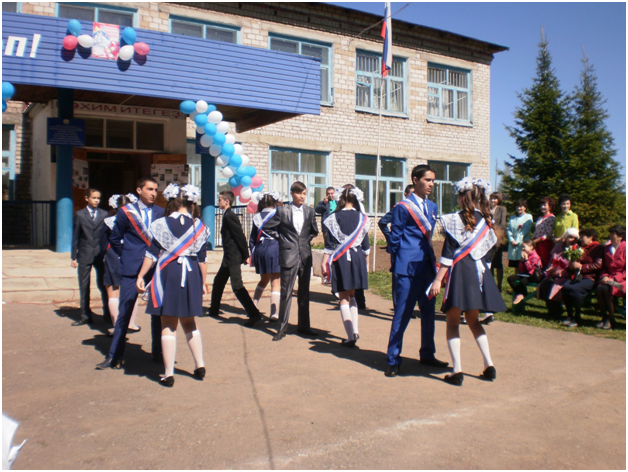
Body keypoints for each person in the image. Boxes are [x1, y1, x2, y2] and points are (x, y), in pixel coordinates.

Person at [429, 177, 506, 386]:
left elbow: (447, 255)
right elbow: (487, 254)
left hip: (460, 273)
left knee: (453, 322)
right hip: (479, 274)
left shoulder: (454, 220)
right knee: (474, 321)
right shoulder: (487, 220)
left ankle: (457, 370)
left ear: (462, 197)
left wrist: (438, 280)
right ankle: (489, 365)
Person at [137, 184, 210, 387]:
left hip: (168, 272)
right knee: (190, 322)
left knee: (168, 324)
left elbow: (151, 254)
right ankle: (200, 365)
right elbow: (203, 260)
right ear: (192, 202)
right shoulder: (199, 226)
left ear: (171, 201)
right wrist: (204, 283)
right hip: (191, 273)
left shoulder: (161, 224)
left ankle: (168, 374)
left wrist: (141, 276)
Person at [385, 165, 448, 377]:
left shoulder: (432, 206)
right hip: (407, 269)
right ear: (415, 180)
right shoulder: (403, 207)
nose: (431, 184)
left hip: (427, 267)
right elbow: (395, 238)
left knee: (429, 312)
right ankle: (393, 359)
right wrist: (398, 264)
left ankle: (427, 353)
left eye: (433, 181)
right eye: (427, 180)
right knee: (402, 313)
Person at [96, 177, 165, 370]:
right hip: (131, 269)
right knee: (124, 312)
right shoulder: (126, 212)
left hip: (154, 268)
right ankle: (114, 355)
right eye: (149, 189)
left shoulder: (161, 212)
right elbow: (115, 239)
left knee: (157, 312)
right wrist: (127, 256)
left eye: (155, 190)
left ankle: (158, 352)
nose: (153, 193)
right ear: (139, 190)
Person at [264, 181, 319, 341]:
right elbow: (267, 227)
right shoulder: (282, 211)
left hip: (305, 256)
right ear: (292, 194)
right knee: (286, 292)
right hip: (288, 255)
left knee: (304, 293)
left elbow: (314, 231)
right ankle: (281, 328)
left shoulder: (310, 211)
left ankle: (304, 326)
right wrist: (283, 239)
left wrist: (304, 242)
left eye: (304, 193)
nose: (302, 196)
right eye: (299, 193)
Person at [322, 187, 370, 347]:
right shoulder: (363, 218)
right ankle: (355, 330)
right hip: (358, 257)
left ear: (341, 199)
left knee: (343, 297)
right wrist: (366, 263)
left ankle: (350, 337)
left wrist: (324, 262)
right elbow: (365, 245)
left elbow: (329, 244)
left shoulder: (334, 217)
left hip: (341, 258)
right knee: (353, 295)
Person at [208, 191, 262, 325]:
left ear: (227, 201)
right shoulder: (226, 215)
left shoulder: (230, 216)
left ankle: (254, 314)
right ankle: (213, 310)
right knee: (218, 282)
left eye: (220, 200)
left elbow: (239, 236)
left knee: (237, 286)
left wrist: (245, 255)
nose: (218, 202)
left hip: (233, 256)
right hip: (228, 256)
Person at [102, 193, 141, 336]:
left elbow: (103, 241)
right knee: (132, 289)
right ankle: (131, 323)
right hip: (131, 254)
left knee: (113, 291)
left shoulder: (108, 221)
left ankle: (116, 326)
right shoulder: (137, 221)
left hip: (113, 254)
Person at [70, 188, 110, 326]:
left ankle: (108, 313)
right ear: (87, 198)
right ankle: (85, 315)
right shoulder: (79, 215)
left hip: (100, 254)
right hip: (85, 253)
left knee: (104, 284)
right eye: (94, 198)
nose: (96, 200)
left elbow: (107, 235)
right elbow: (75, 237)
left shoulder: (104, 214)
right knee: (84, 285)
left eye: (98, 198)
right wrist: (73, 257)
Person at [378, 184, 414, 308]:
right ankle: (398, 306)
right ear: (405, 195)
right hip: (399, 247)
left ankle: (409, 307)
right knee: (398, 276)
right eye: (411, 194)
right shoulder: (399, 207)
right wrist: (390, 238)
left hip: (412, 248)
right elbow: (382, 222)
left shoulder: (418, 209)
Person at [560, 228, 603, 328]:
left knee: (575, 289)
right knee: (565, 287)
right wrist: (571, 266)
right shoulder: (579, 248)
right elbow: (574, 262)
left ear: (590, 237)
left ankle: (577, 317)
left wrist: (581, 267)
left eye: (583, 237)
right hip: (578, 276)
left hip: (591, 277)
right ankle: (569, 315)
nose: (581, 239)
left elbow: (598, 265)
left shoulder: (598, 248)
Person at [250, 191, 282, 321]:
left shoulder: (256, 217)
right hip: (274, 248)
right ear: (275, 202)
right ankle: (274, 313)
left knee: (263, 280)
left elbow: (252, 239)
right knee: (276, 282)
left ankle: (253, 307)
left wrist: (252, 254)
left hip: (260, 249)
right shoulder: (277, 214)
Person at [536, 228, 580, 318]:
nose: (573, 240)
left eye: (575, 238)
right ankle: (553, 310)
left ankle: (557, 311)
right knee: (546, 284)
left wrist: (561, 272)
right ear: (565, 237)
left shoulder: (576, 249)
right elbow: (552, 260)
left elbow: (574, 267)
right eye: (570, 237)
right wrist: (551, 269)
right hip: (554, 273)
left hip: (568, 275)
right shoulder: (558, 247)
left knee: (555, 285)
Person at [596, 225, 626, 329]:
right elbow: (604, 266)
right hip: (609, 277)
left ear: (620, 237)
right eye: (610, 234)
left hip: (622, 279)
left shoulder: (625, 248)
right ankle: (604, 317)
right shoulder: (607, 248)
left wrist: (615, 279)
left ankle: (610, 318)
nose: (610, 236)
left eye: (613, 234)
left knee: (609, 291)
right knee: (600, 289)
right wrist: (604, 276)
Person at [507, 240, 543, 305]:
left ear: (531, 247)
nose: (523, 249)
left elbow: (531, 269)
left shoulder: (535, 256)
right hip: (526, 274)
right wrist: (522, 260)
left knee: (522, 282)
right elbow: (521, 269)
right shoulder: (526, 255)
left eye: (524, 247)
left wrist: (526, 260)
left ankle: (524, 295)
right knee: (510, 278)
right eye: (522, 247)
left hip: (533, 276)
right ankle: (519, 294)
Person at [489, 192, 507, 292]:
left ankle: (499, 285)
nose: (493, 200)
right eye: (492, 198)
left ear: (499, 200)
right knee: (490, 262)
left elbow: (503, 224)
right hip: (487, 239)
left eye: (495, 199)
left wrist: (494, 228)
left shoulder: (502, 209)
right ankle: (491, 285)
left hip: (497, 238)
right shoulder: (487, 209)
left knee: (498, 263)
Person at [506, 199, 533, 269]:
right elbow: (509, 229)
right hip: (512, 245)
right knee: (515, 266)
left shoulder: (528, 217)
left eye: (521, 206)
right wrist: (511, 240)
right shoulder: (512, 217)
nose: (519, 208)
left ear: (525, 207)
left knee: (522, 265)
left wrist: (517, 241)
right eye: (517, 206)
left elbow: (525, 231)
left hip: (522, 244)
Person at [532, 196, 556, 268]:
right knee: (537, 262)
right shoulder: (540, 218)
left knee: (545, 262)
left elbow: (547, 234)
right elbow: (536, 231)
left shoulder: (552, 218)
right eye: (542, 205)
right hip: (537, 244)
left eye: (545, 205)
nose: (542, 207)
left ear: (550, 206)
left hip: (545, 244)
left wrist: (535, 241)